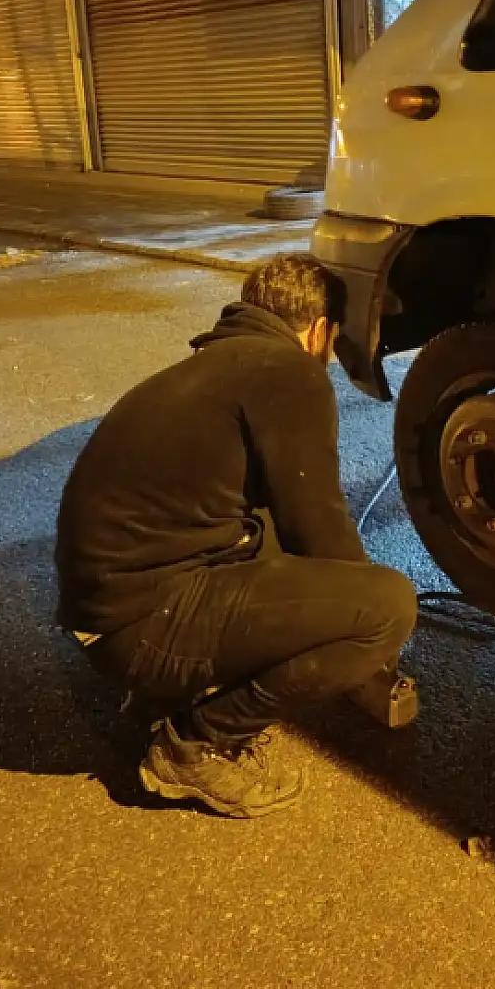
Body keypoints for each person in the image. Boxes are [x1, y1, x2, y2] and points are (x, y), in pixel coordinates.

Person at [55, 253, 418, 819]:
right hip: (140, 628)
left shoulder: (213, 367)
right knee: (388, 605)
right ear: (320, 330)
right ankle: (198, 742)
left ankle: (167, 687)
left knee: (265, 527)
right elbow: (319, 526)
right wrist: (376, 641)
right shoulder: (290, 371)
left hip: (105, 616)